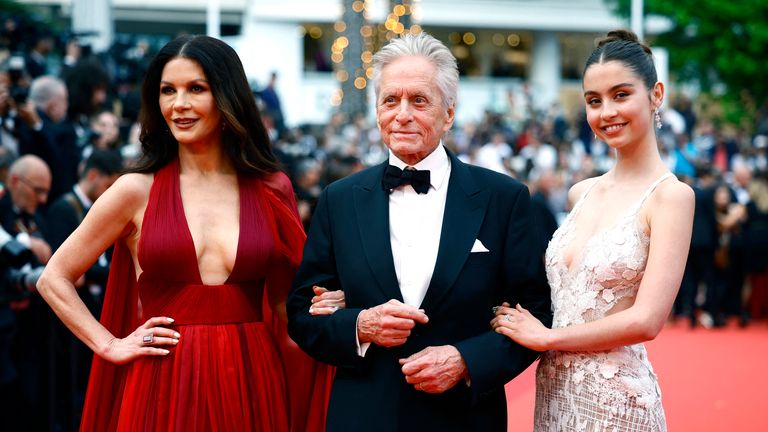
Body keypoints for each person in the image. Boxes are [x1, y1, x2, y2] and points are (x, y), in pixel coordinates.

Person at [36, 35, 331, 432]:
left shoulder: (272, 188)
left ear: (227, 97)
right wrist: (109, 344)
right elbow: (54, 278)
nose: (179, 105)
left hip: (252, 379)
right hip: (160, 381)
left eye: (196, 89)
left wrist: (329, 311)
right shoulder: (134, 190)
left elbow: (285, 305)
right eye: (167, 91)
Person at [286, 32, 552, 432]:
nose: (402, 114)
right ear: (377, 110)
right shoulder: (339, 200)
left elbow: (535, 313)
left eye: (419, 100)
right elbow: (302, 314)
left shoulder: (503, 198)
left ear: (449, 113)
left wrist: (466, 360)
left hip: (463, 416)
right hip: (363, 414)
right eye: (390, 100)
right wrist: (359, 326)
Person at [491, 30, 695, 431]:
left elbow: (647, 321)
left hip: (618, 403)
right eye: (594, 101)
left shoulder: (671, 197)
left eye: (621, 95)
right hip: (554, 392)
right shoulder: (579, 192)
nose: (607, 112)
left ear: (656, 94)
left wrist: (548, 338)